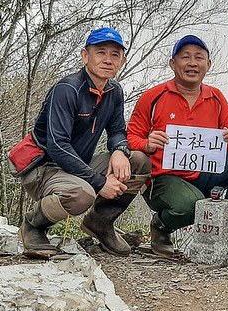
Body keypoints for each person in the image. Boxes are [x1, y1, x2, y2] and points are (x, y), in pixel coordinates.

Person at [15, 27, 151, 258]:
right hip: (43, 168)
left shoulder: (114, 91)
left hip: (76, 165)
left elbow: (117, 130)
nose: (108, 60)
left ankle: (100, 222)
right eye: (100, 53)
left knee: (138, 160)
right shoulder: (67, 90)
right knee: (82, 193)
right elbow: (58, 146)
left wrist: (119, 149)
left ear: (122, 61)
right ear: (85, 55)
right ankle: (33, 226)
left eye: (115, 55)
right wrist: (99, 182)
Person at [127, 35, 228, 256]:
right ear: (173, 63)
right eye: (185, 57)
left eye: (199, 57)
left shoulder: (216, 97)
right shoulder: (153, 97)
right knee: (191, 206)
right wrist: (147, 144)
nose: (192, 63)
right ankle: (161, 226)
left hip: (202, 172)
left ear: (208, 65)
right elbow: (131, 138)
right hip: (163, 178)